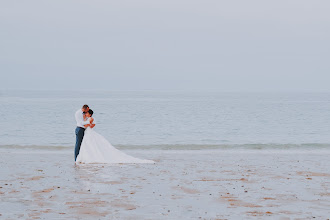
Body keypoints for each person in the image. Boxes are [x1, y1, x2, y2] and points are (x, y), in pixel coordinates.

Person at [76, 109, 154, 164]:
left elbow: (86, 125)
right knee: (88, 145)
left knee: (90, 145)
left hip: (89, 133)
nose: (85, 114)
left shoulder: (90, 118)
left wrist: (82, 121)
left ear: (89, 114)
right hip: (88, 133)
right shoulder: (89, 118)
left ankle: (89, 157)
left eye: (86, 113)